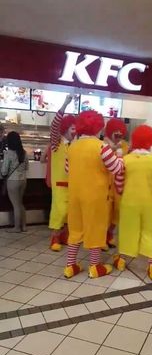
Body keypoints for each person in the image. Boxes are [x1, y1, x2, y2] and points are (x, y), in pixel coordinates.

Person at [64, 110, 124, 279]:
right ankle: (95, 266)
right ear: (98, 128)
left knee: (75, 229)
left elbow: (67, 169)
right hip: (96, 197)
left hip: (75, 196)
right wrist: (119, 154)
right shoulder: (101, 146)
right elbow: (117, 169)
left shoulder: (72, 147)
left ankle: (70, 266)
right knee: (96, 229)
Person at [114, 125, 152, 282]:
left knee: (127, 230)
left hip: (129, 202)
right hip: (149, 203)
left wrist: (122, 192)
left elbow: (118, 182)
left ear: (134, 140)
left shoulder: (126, 160)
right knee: (150, 231)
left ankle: (122, 260)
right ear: (151, 142)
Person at [49, 95, 76, 251]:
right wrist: (65, 103)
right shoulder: (56, 144)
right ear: (65, 128)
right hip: (59, 186)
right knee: (59, 211)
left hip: (71, 185)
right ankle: (54, 238)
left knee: (69, 213)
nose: (75, 131)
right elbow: (54, 125)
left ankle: (64, 236)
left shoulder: (73, 146)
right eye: (72, 128)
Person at [104, 118, 129, 248]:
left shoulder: (125, 145)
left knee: (117, 212)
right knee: (105, 212)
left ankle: (110, 235)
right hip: (105, 183)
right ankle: (102, 238)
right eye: (116, 131)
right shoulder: (103, 144)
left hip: (120, 183)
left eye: (121, 132)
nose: (118, 134)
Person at [1, 131, 28, 232]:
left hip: (12, 181)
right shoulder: (24, 152)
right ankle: (24, 226)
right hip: (23, 180)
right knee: (20, 203)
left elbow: (4, 170)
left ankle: (16, 227)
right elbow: (26, 167)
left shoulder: (8, 153)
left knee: (16, 204)